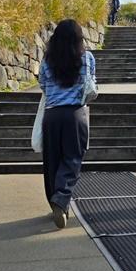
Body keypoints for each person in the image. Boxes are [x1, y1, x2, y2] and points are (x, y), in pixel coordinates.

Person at [37, 19, 96, 229]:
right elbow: (91, 84)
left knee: (52, 161)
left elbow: (42, 84)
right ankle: (61, 199)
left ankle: (56, 201)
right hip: (76, 115)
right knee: (72, 159)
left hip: (52, 115)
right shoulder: (87, 58)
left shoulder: (47, 60)